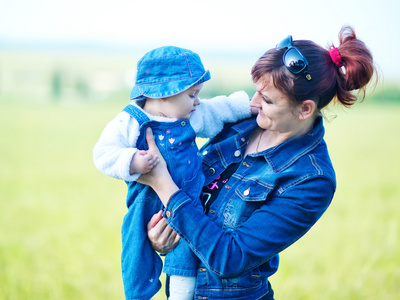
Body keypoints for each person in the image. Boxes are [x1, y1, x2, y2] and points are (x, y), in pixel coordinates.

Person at [138, 26, 377, 299]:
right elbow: (191, 193)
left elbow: (230, 257)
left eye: (267, 99)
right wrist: (161, 238)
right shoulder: (240, 124)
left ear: (305, 109)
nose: (253, 102)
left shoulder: (312, 179)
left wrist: (162, 184)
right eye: (256, 91)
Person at [92, 46, 253, 300]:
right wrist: (133, 161)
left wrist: (248, 106)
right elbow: (103, 153)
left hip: (186, 199)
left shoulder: (191, 115)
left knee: (186, 253)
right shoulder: (130, 120)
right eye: (192, 95)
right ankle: (137, 295)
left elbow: (218, 110)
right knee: (135, 250)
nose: (198, 101)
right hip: (147, 201)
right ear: (165, 94)